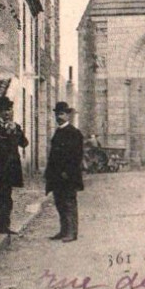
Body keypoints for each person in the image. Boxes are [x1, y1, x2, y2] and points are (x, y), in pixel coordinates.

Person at [0, 97, 28, 235]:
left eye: (9, 109)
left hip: (10, 168)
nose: (7, 113)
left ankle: (5, 225)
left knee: (6, 198)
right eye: (4, 110)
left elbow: (24, 143)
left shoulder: (15, 126)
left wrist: (16, 131)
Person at [45, 101, 84, 242]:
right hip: (57, 176)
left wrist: (68, 172)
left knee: (69, 203)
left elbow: (76, 156)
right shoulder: (58, 131)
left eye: (62, 114)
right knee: (60, 203)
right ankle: (63, 231)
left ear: (68, 115)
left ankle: (72, 232)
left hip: (68, 176)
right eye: (57, 114)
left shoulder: (74, 133)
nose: (59, 117)